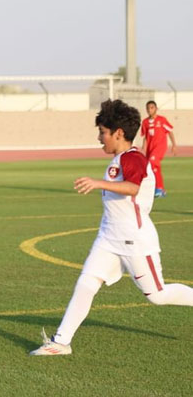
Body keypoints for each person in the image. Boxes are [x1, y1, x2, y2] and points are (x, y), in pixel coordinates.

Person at [30, 99, 193, 356]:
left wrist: (98, 183)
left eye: (102, 132)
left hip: (134, 240)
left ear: (118, 133)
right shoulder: (120, 158)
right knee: (86, 283)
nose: (99, 138)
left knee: (157, 295)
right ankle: (60, 342)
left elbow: (133, 188)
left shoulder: (133, 158)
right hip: (108, 238)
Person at [140, 100, 177, 198]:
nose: (149, 110)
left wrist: (174, 145)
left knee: (152, 162)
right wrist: (143, 148)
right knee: (154, 168)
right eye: (148, 108)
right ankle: (161, 190)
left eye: (152, 108)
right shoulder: (145, 122)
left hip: (160, 147)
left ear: (156, 109)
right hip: (150, 149)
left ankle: (158, 188)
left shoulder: (162, 120)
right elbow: (145, 137)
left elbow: (170, 131)